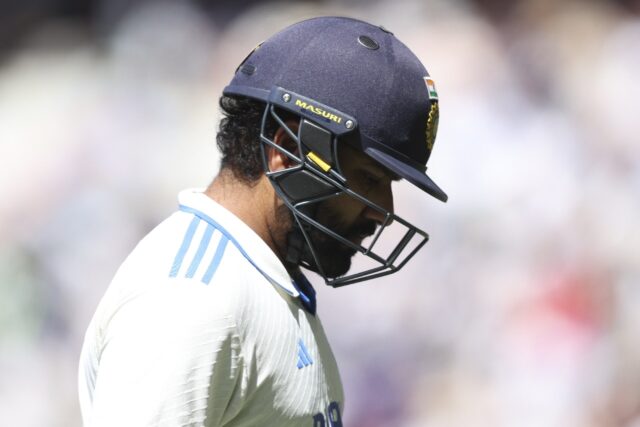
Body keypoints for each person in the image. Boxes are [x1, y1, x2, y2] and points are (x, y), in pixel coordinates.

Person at [78, 16, 447, 426]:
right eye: (371, 178)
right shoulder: (192, 299)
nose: (383, 210)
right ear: (287, 152)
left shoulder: (258, 278)